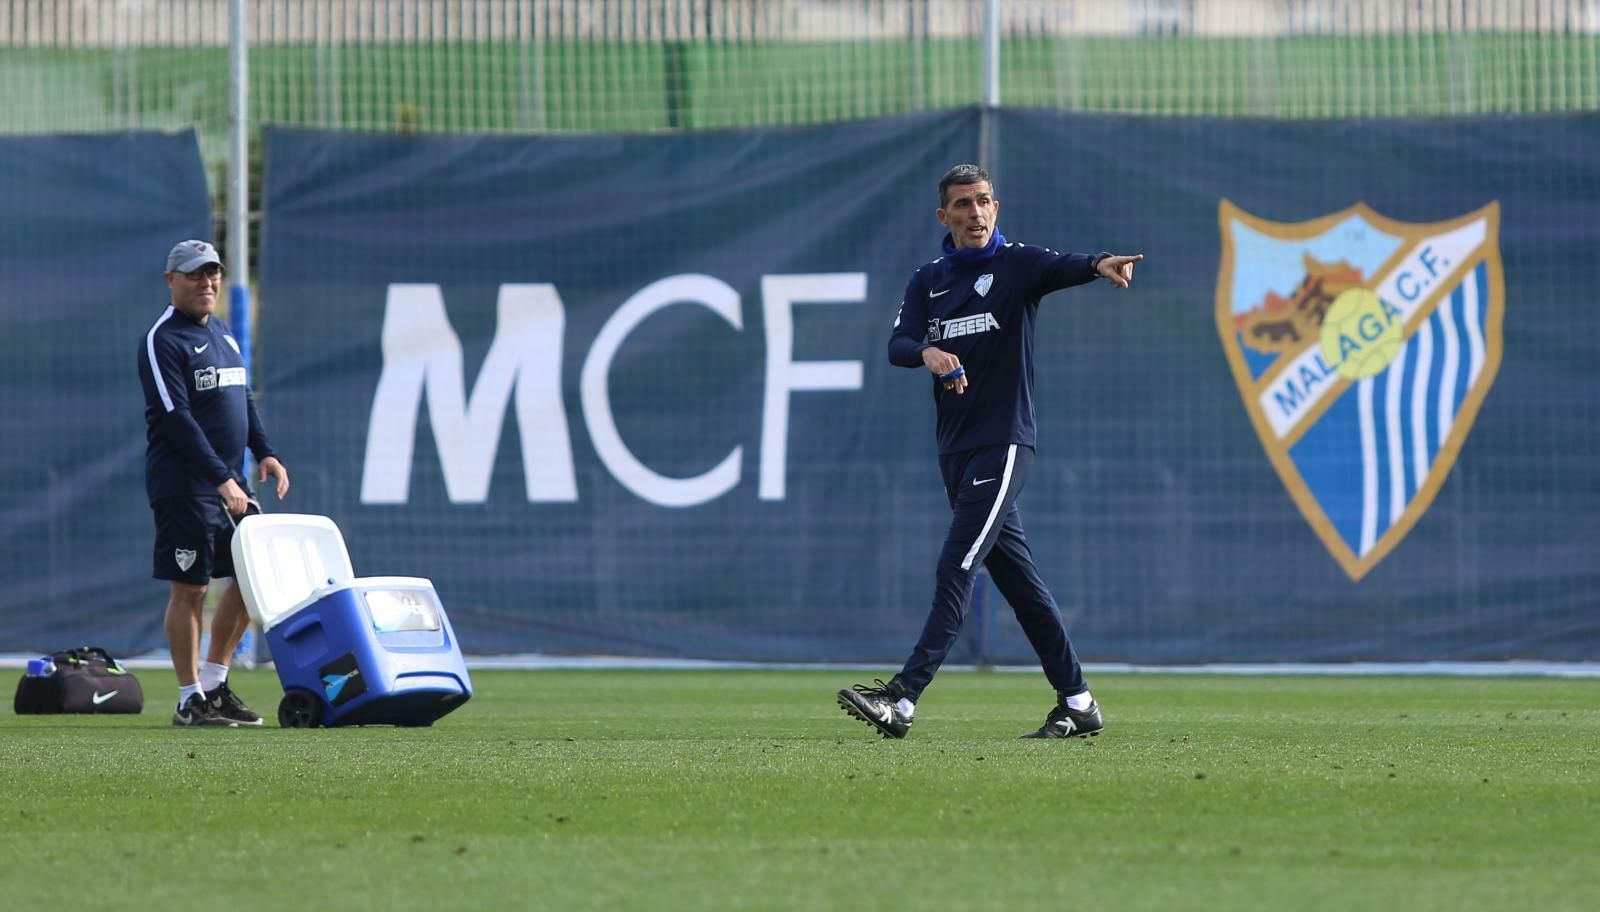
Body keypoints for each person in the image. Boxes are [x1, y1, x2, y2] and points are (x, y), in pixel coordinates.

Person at [837, 164, 1142, 740]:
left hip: (1003, 445)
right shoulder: (929, 280)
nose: (975, 212)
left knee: (956, 564)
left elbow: (1065, 265)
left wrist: (1101, 263)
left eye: (983, 201)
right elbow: (899, 343)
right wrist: (927, 352)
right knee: (1023, 589)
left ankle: (902, 699)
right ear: (944, 216)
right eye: (962, 204)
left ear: (995, 208)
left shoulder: (1018, 264)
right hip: (955, 449)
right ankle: (1078, 702)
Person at [138, 240, 290, 727]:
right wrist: (220, 477)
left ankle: (215, 684)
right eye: (194, 274)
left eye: (212, 273)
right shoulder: (163, 339)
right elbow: (176, 418)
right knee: (192, 589)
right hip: (186, 484)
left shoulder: (222, 331)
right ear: (171, 280)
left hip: (231, 483)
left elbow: (242, 397)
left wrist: (265, 451)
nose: (206, 282)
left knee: (251, 579)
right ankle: (189, 699)